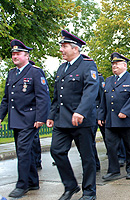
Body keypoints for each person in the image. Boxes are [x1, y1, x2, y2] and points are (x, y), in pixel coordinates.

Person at [47, 30, 99, 200]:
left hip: (81, 120)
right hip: (62, 120)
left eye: (64, 46)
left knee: (87, 156)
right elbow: (57, 95)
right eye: (61, 46)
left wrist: (81, 111)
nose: (61, 50)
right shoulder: (62, 68)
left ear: (75, 49)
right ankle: (70, 186)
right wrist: (51, 115)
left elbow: (91, 90)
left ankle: (89, 191)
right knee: (56, 151)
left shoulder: (88, 65)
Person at [0, 39, 50, 198]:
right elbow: (6, 99)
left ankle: (22, 185)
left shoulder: (35, 72)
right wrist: (0, 117)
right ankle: (33, 181)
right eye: (13, 54)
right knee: (24, 151)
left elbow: (43, 97)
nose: (14, 56)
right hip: (16, 120)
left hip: (29, 119)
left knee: (22, 151)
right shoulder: (11, 73)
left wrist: (40, 117)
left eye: (18, 54)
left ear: (26, 56)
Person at [98, 52, 130, 181]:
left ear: (125, 65)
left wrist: (125, 111)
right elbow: (104, 99)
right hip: (111, 120)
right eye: (113, 64)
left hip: (127, 120)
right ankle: (113, 170)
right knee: (111, 147)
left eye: (117, 64)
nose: (114, 66)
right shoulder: (109, 80)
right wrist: (101, 115)